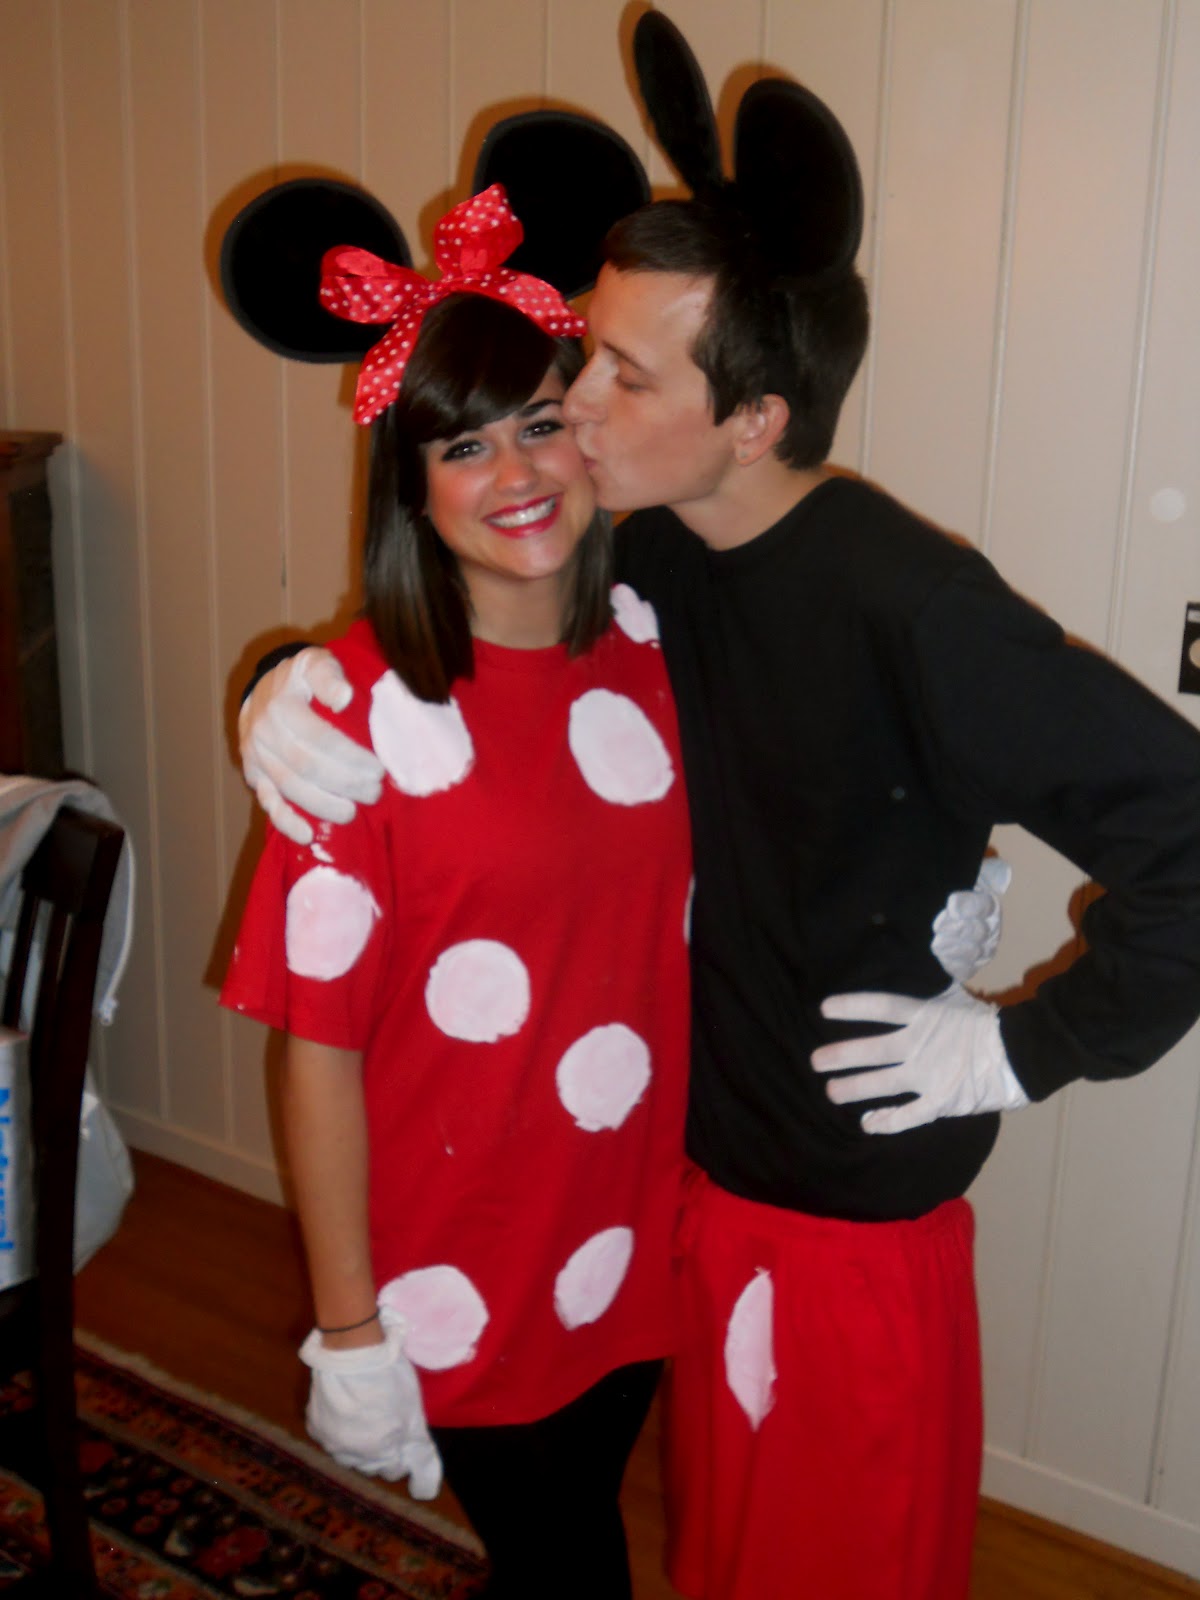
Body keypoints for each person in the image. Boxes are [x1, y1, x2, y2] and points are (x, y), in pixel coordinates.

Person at [220, 187, 696, 1600]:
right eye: (463, 445)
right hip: (460, 1266)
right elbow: (316, 1051)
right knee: (571, 1564)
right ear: (411, 486)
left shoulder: (658, 645)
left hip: (634, 1231)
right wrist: (348, 1328)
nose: (515, 474)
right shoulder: (351, 723)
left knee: (578, 1529)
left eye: (539, 422)